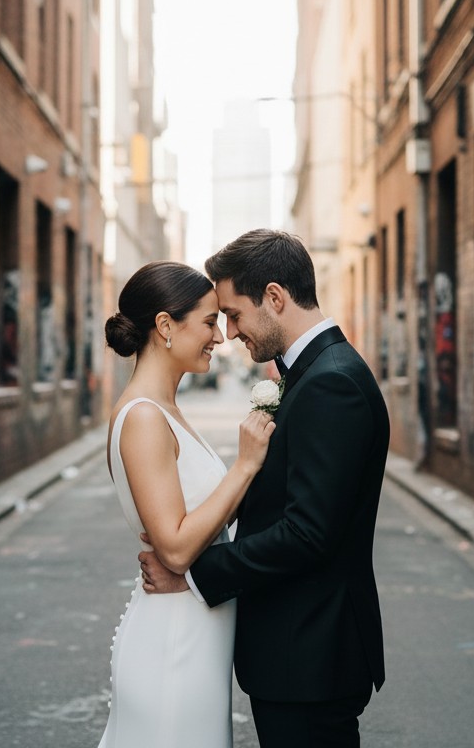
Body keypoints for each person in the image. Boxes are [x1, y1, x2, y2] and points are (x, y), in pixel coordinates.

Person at [139, 229, 388, 747]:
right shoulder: (311, 374)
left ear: (274, 297)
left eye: (233, 314)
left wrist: (193, 574)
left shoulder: (331, 383)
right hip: (297, 656)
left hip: (311, 657)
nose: (228, 332)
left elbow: (308, 533)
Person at [98, 260, 276, 748]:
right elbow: (175, 550)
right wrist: (244, 466)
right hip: (172, 645)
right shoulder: (143, 418)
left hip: (197, 635)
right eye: (208, 321)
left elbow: (201, 519)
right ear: (164, 326)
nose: (219, 337)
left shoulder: (167, 411)